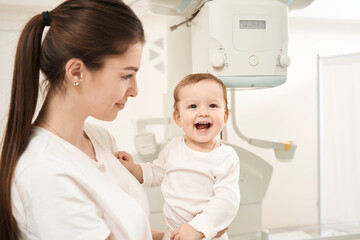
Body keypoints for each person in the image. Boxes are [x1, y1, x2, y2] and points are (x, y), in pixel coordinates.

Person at [0, 0, 164, 239]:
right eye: (126, 75)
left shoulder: (100, 139)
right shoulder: (46, 173)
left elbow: (129, 232)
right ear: (76, 72)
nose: (134, 90)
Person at [116, 73, 241, 240]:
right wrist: (134, 168)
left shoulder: (226, 157)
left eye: (212, 105)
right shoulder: (174, 147)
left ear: (225, 116)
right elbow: (156, 172)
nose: (203, 112)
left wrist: (197, 229)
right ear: (178, 118)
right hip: (173, 236)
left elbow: (226, 203)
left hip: (206, 236)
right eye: (193, 106)